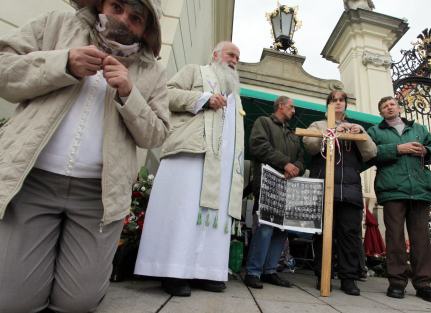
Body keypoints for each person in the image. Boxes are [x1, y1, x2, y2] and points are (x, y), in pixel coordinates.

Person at [0, 1, 169, 312]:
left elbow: (157, 133)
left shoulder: (151, 69)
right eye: (116, 6)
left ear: (146, 30)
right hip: (33, 182)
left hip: (97, 198)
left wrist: (129, 94)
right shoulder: (59, 24)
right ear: (101, 3)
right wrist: (63, 63)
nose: (123, 20)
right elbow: (4, 69)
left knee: (77, 303)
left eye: (135, 18)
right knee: (13, 303)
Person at [134, 41, 244, 297]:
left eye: (238, 57)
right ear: (215, 54)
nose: (235, 60)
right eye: (231, 54)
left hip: (221, 165)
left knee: (210, 219)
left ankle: (206, 270)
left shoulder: (235, 95)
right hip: (190, 154)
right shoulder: (195, 71)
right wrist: (202, 99)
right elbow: (166, 93)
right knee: (183, 213)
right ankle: (173, 271)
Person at [366, 96, 431, 303]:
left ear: (398, 108)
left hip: (419, 189)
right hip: (392, 189)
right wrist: (397, 149)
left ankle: (424, 284)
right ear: (381, 112)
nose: (389, 108)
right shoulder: (375, 131)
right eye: (384, 106)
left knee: (421, 239)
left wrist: (426, 151)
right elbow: (369, 153)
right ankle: (397, 282)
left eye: (392, 104)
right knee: (395, 238)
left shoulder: (418, 128)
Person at [302, 90, 376, 295]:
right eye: (333, 100)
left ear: (346, 104)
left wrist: (360, 132)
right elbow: (309, 145)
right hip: (324, 186)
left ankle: (348, 278)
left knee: (350, 235)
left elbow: (371, 153)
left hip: (350, 190)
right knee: (323, 234)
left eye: (341, 100)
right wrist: (332, 129)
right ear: (328, 105)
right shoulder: (318, 125)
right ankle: (322, 274)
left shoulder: (356, 127)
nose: (338, 103)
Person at [243, 96, 305, 289]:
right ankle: (253, 271)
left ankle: (270, 271)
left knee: (281, 230)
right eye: (291, 107)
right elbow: (259, 146)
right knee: (265, 228)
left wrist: (295, 167)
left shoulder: (294, 135)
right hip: (267, 185)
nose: (294, 111)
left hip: (287, 187)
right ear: (280, 105)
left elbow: (302, 158)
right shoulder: (263, 122)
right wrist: (284, 163)